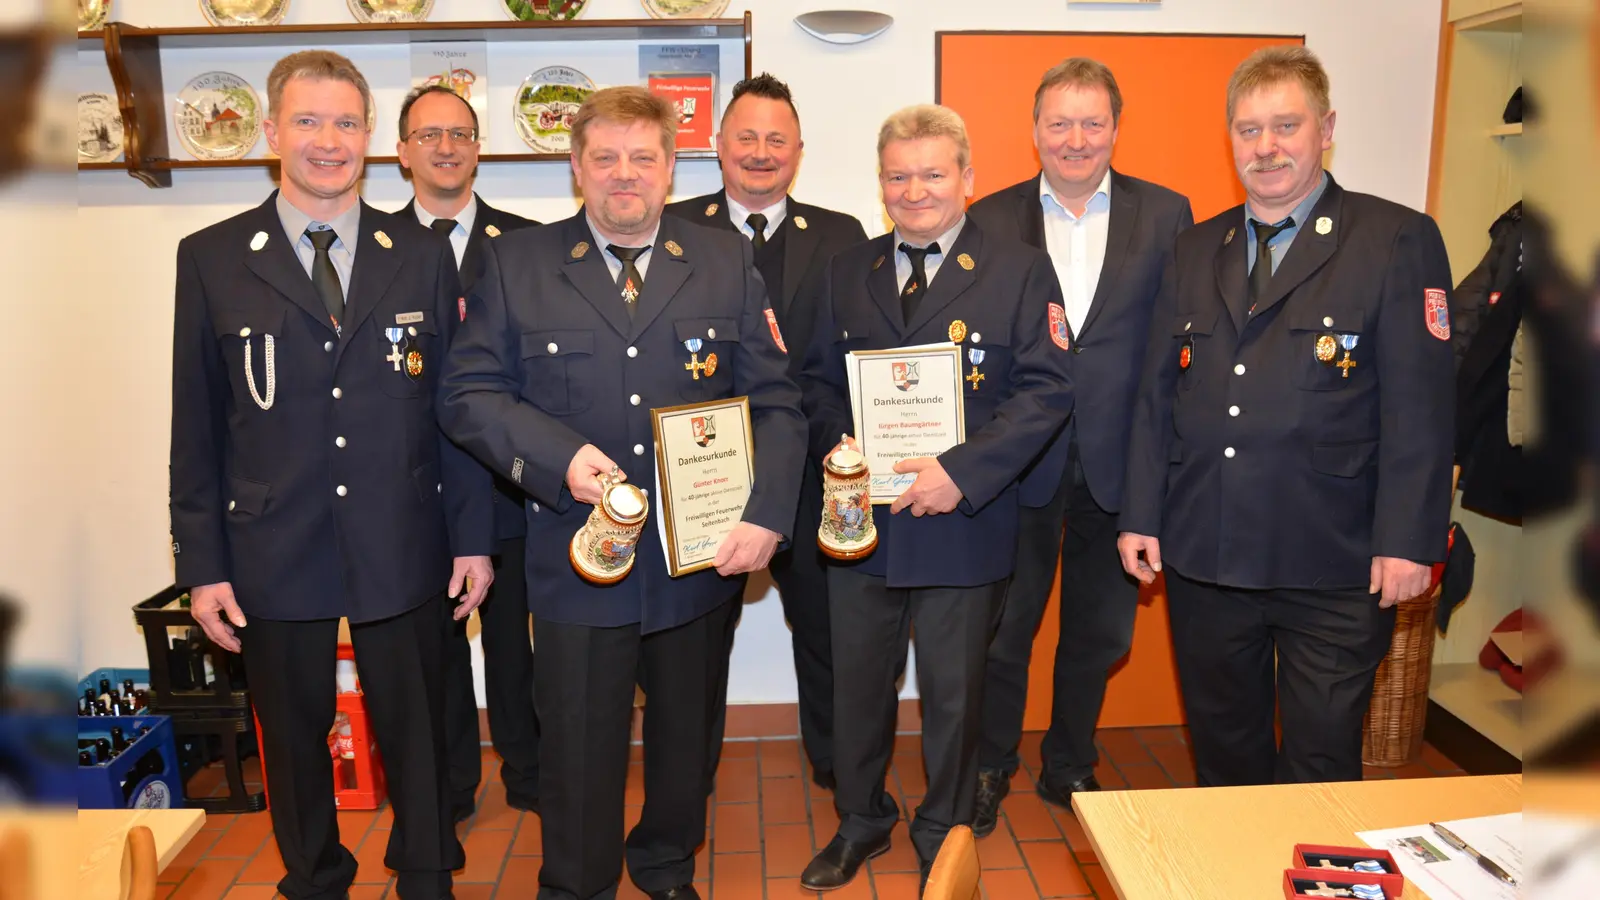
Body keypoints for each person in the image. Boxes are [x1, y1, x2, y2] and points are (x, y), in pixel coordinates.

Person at [438, 86, 806, 900]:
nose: (624, 175)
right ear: (576, 169)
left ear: (672, 169)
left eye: (643, 157)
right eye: (604, 158)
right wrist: (559, 458)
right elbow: (468, 394)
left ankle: (667, 864)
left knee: (685, 742)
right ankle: (577, 883)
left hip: (697, 560)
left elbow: (776, 404)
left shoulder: (722, 261)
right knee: (575, 746)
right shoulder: (516, 264)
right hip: (577, 559)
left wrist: (765, 516)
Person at [169, 50, 493, 900]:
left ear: (371, 140)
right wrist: (201, 566)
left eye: (346, 122)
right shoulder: (209, 258)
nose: (327, 141)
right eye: (308, 121)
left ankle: (427, 873)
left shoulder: (419, 251)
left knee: (417, 728)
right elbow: (197, 424)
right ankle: (314, 879)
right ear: (272, 132)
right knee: (295, 735)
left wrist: (473, 540)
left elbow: (455, 411)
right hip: (274, 543)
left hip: (405, 534)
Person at [1118, 46, 1456, 787]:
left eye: (1285, 126)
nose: (1265, 147)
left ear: (1326, 128)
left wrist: (1409, 540)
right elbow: (1155, 399)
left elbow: (1421, 410)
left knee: (1319, 761)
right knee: (1225, 754)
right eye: (1248, 130)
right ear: (1230, 138)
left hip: (1333, 561)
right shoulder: (1194, 248)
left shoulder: (1394, 239)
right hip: (1206, 553)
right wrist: (1140, 515)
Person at [796, 105, 1074, 894]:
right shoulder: (845, 270)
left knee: (955, 694)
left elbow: (1048, 390)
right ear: (879, 182)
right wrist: (835, 446)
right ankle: (862, 819)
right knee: (858, 685)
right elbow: (812, 380)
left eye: (931, 173)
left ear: (967, 178)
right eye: (897, 175)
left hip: (965, 517)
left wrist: (962, 469)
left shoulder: (1021, 269)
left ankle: (942, 831)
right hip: (862, 522)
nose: (913, 190)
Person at [964, 58, 1193, 831]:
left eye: (1092, 122)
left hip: (1118, 463)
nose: (1075, 138)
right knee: (1005, 632)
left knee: (1098, 633)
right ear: (1034, 131)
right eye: (1059, 122)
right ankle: (992, 762)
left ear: (1117, 130)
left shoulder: (1167, 216)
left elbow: (1174, 349)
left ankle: (1070, 764)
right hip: (1014, 466)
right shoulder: (989, 220)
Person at [664, 72, 867, 794]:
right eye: (745, 137)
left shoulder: (843, 236)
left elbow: (858, 353)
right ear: (717, 146)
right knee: (695, 644)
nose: (759, 152)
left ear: (799, 151)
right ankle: (690, 776)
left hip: (813, 472)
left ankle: (840, 766)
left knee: (826, 631)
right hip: (705, 477)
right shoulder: (673, 228)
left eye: (775, 139)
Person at [395, 82, 543, 822]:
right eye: (428, 135)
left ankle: (529, 769)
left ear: (478, 149)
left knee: (517, 643)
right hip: (416, 491)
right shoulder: (376, 249)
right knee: (437, 646)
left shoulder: (529, 248)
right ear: (401, 153)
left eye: (458, 134)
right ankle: (451, 783)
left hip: (510, 485)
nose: (445, 147)